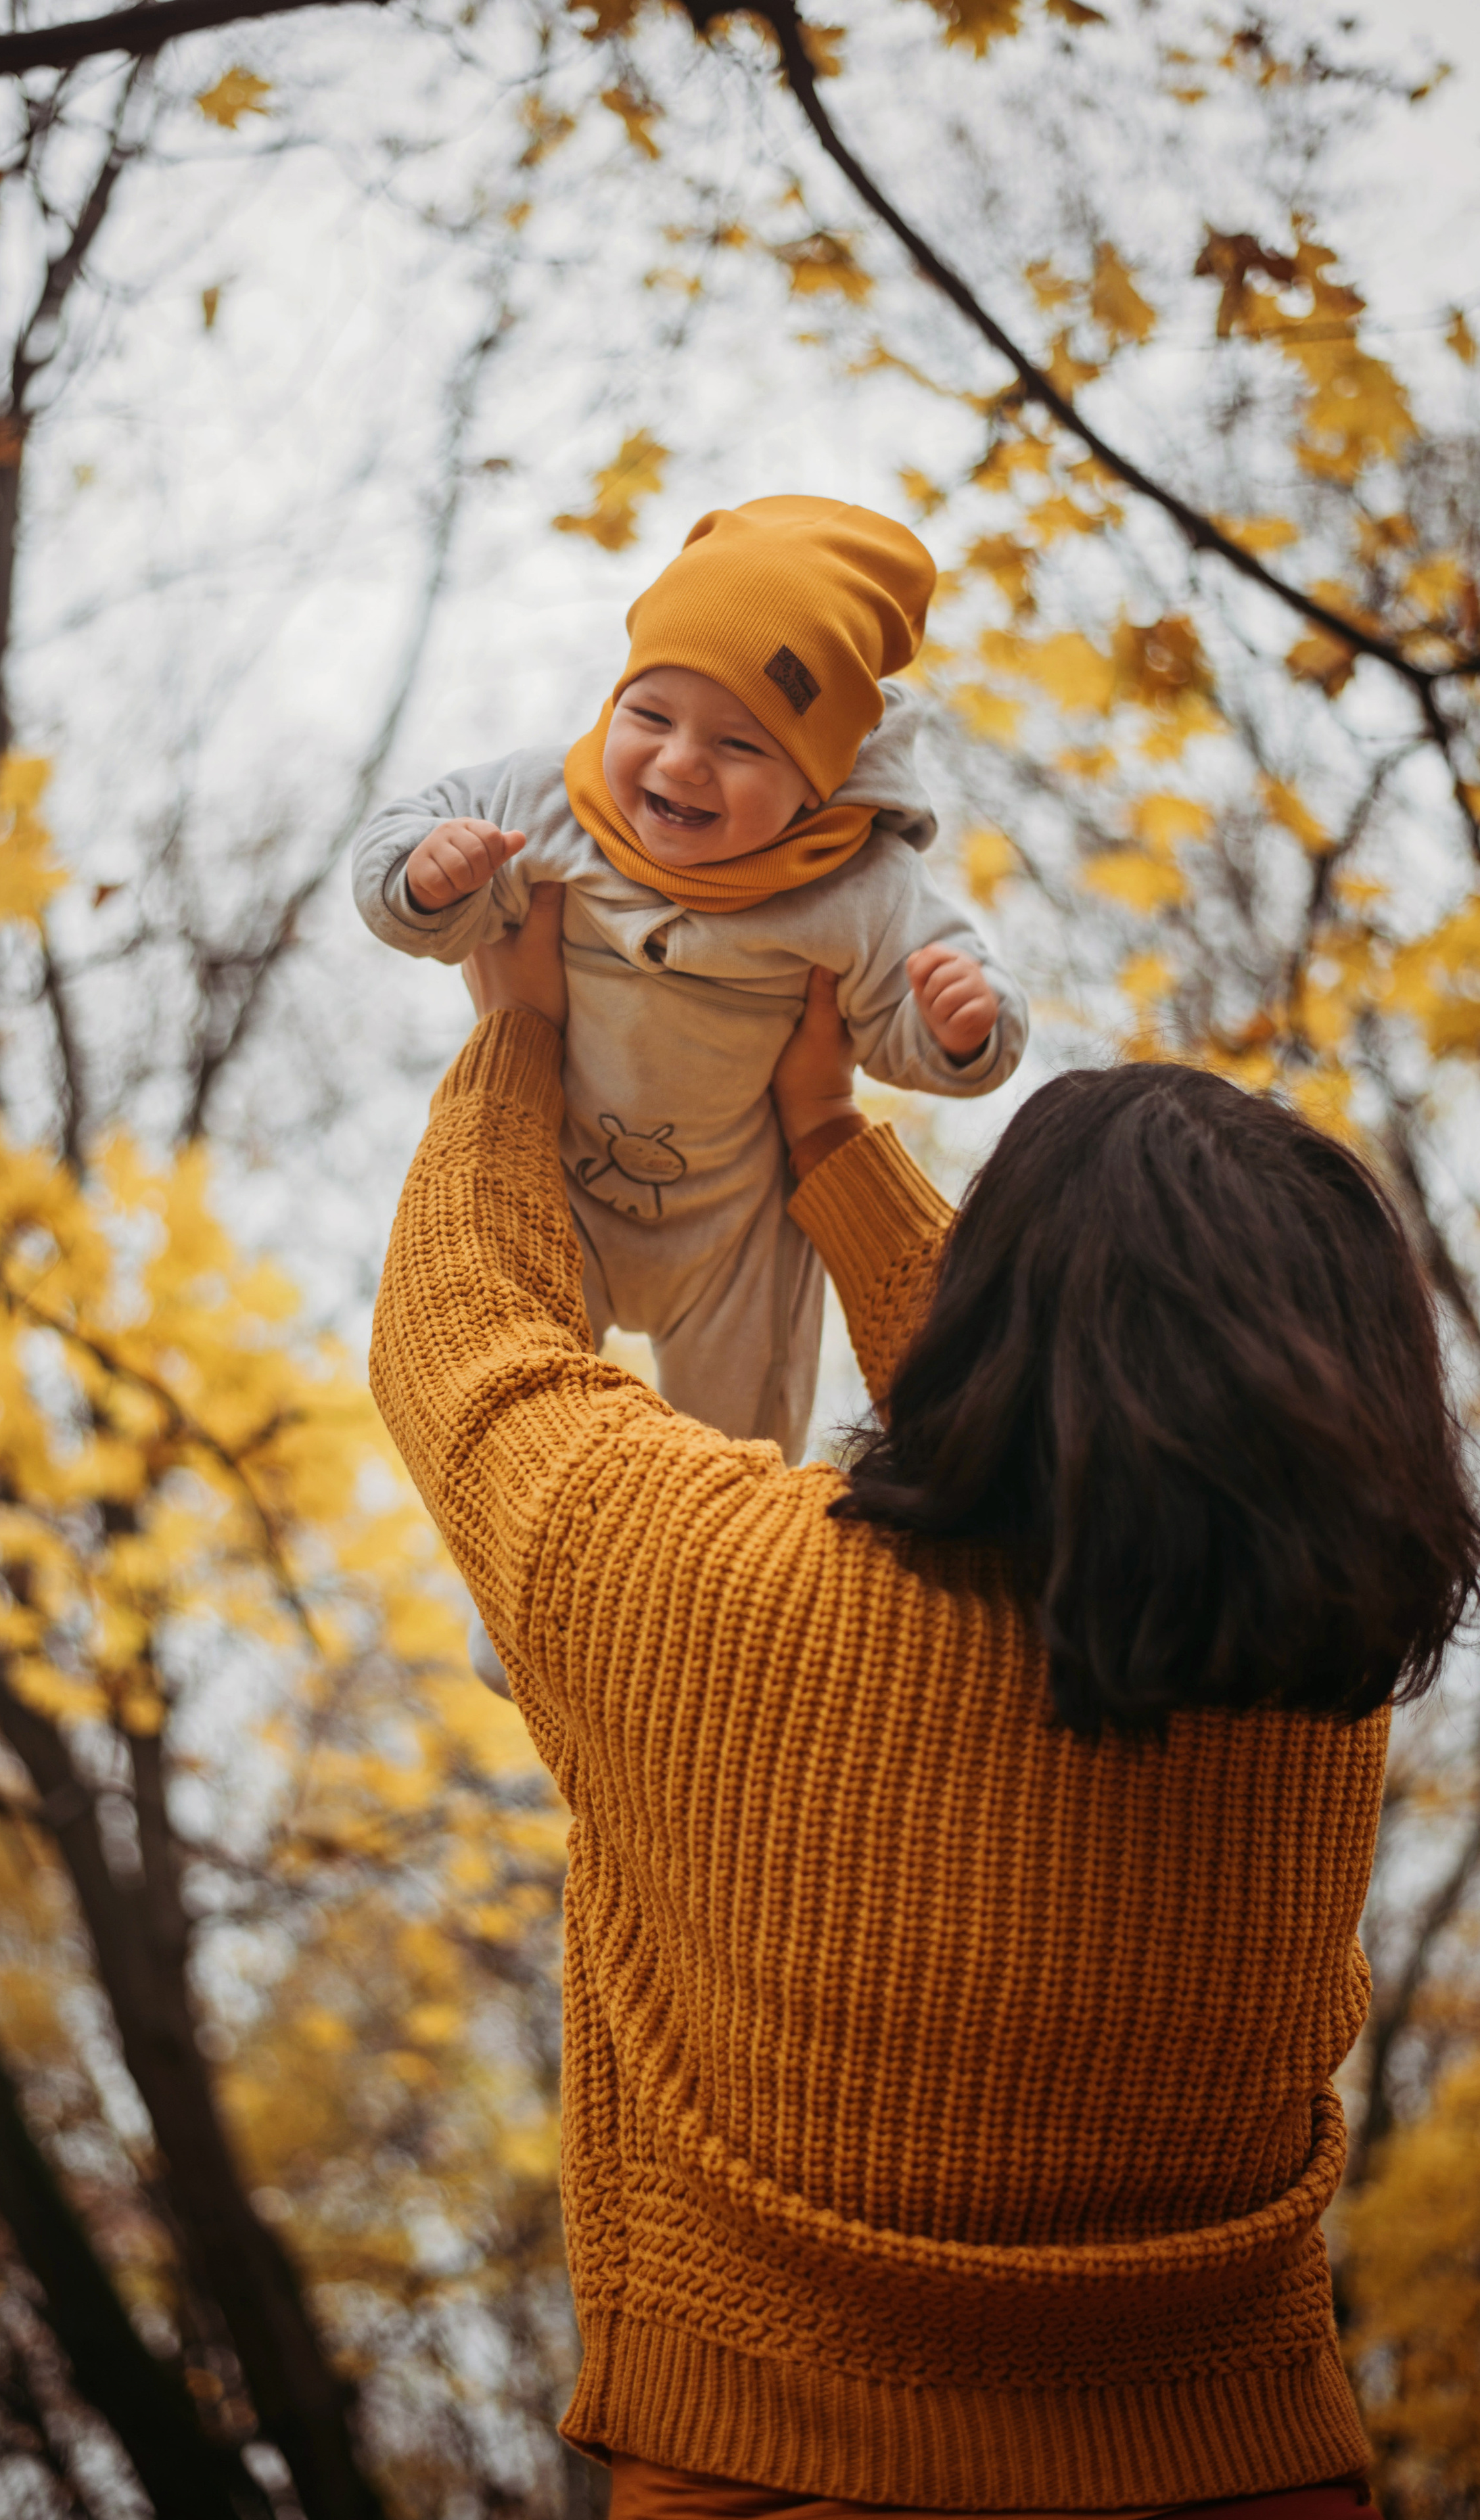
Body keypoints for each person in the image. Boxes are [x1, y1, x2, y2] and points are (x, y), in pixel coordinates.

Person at [368, 883, 1479, 2519]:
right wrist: (823, 1144)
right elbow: (1101, 1449)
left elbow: (467, 1342)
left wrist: (523, 1034)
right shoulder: (1297, 1703)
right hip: (1244, 2480)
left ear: (1002, 1319)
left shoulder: (707, 1599)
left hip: (765, 2478)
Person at [354, 496, 1027, 1475]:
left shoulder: (857, 885)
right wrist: (424, 875)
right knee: (510, 1441)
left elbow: (915, 1023)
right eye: (651, 714)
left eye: (740, 744)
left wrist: (961, 1024)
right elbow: (400, 846)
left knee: (734, 1467)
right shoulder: (550, 802)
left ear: (817, 784)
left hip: (733, 1226)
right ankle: (508, 1636)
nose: (679, 761)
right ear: (612, 705)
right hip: (559, 1180)